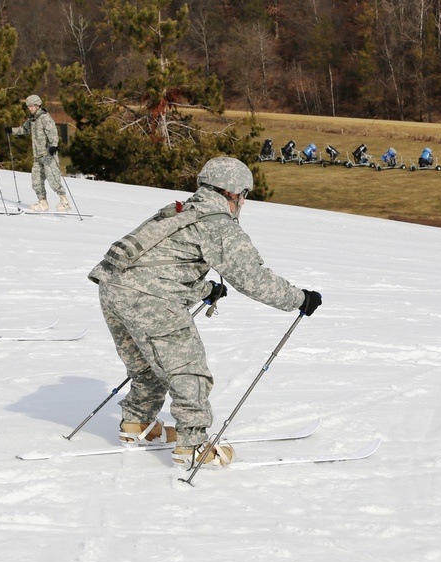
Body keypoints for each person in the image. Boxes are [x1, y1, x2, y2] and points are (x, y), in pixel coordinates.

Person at [87, 156, 322, 468]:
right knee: (188, 369)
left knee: (147, 363)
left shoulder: (177, 212)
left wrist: (205, 289)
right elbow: (254, 280)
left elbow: (160, 264)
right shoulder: (218, 224)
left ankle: (137, 423)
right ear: (237, 194)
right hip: (150, 297)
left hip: (111, 287)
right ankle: (194, 445)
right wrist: (299, 298)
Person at [5, 94, 69, 212]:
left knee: (53, 179)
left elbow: (53, 132)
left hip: (48, 154)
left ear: (37, 105)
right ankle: (43, 202)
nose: (29, 108)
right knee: (36, 180)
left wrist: (53, 145)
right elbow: (24, 129)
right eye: (28, 106)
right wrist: (11, 130)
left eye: (31, 106)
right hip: (37, 155)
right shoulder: (32, 119)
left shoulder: (45, 118)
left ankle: (64, 201)